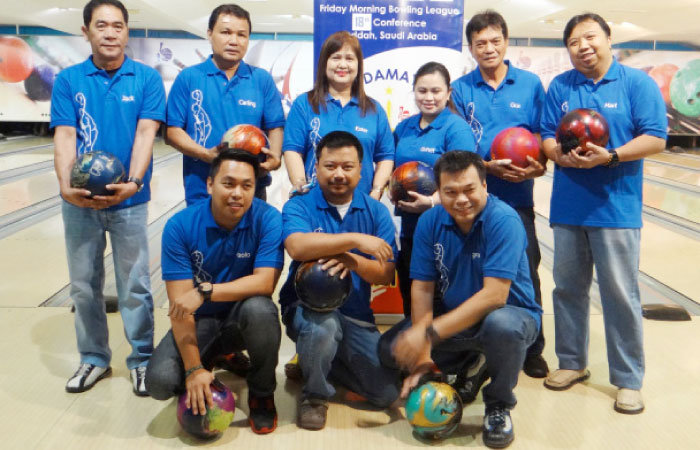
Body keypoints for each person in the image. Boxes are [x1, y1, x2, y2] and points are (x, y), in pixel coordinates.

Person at [539, 13, 667, 414]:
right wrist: (556, 153)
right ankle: (572, 363)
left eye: (590, 37)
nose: (583, 46)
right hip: (568, 207)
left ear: (608, 39)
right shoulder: (561, 86)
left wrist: (610, 156)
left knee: (619, 295)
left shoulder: (637, 84)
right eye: (574, 41)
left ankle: (628, 380)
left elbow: (656, 138)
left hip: (616, 209)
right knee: (567, 290)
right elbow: (545, 134)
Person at [378, 151, 542, 449]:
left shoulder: (504, 220)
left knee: (501, 327)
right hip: (458, 319)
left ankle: (499, 405)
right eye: (450, 192)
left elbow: (495, 296)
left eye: (469, 190)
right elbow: (423, 288)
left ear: (484, 186)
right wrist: (422, 355)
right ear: (438, 192)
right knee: (390, 349)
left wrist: (427, 334)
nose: (461, 200)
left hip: (511, 315)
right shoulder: (431, 221)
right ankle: (472, 363)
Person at [51, 0, 165, 396]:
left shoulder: (147, 79)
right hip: (79, 202)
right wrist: (67, 186)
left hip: (130, 201)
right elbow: (65, 136)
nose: (111, 32)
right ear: (86, 31)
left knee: (135, 284)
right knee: (84, 284)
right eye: (102, 25)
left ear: (127, 31)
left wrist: (133, 181)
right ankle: (94, 358)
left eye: (118, 25)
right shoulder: (68, 80)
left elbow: (146, 133)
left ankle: (142, 360)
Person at [145, 149, 283, 434]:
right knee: (159, 382)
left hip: (241, 318)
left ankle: (261, 392)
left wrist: (206, 292)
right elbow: (181, 308)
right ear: (210, 185)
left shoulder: (268, 219)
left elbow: (264, 283)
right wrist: (193, 369)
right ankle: (211, 362)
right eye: (228, 183)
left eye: (247, 185)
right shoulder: (180, 226)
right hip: (200, 323)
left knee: (261, 308)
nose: (237, 193)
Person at [451, 10, 549, 380]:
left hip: (518, 197)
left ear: (506, 42)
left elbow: (541, 137)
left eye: (494, 41)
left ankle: (533, 349)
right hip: (473, 200)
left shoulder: (529, 84)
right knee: (475, 273)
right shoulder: (461, 89)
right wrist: (484, 167)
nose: (488, 49)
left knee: (528, 270)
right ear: (471, 48)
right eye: (480, 44)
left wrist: (540, 164)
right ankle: (477, 344)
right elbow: (458, 142)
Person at [279, 130, 400, 430]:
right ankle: (315, 396)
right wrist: (355, 240)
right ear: (316, 167)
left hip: (357, 315)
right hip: (306, 310)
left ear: (362, 170)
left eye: (347, 167)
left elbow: (386, 273)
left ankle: (316, 362)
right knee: (324, 327)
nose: (338, 174)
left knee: (386, 394)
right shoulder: (299, 205)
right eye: (330, 166)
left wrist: (352, 260)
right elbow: (296, 246)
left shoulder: (376, 212)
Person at [166, 3, 285, 205]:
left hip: (251, 187)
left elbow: (275, 126)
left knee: (251, 236)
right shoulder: (189, 77)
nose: (234, 41)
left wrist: (274, 157)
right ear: (210, 33)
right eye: (226, 32)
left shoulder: (261, 79)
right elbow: (172, 131)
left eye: (241, 35)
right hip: (202, 187)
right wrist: (205, 154)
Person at [392, 61, 476, 318]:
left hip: (446, 227)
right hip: (409, 226)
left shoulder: (456, 128)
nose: (428, 97)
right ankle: (416, 349)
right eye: (422, 90)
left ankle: (450, 355)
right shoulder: (405, 127)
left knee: (442, 294)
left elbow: (465, 182)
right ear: (414, 91)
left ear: (448, 92)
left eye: (436, 91)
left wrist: (430, 203)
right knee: (410, 288)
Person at [282, 31, 395, 199]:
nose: (342, 65)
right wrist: (300, 183)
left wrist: (376, 191)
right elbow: (293, 150)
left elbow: (385, 156)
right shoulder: (304, 104)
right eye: (336, 58)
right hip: (314, 202)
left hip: (361, 205)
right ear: (324, 63)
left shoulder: (374, 109)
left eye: (349, 59)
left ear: (358, 65)